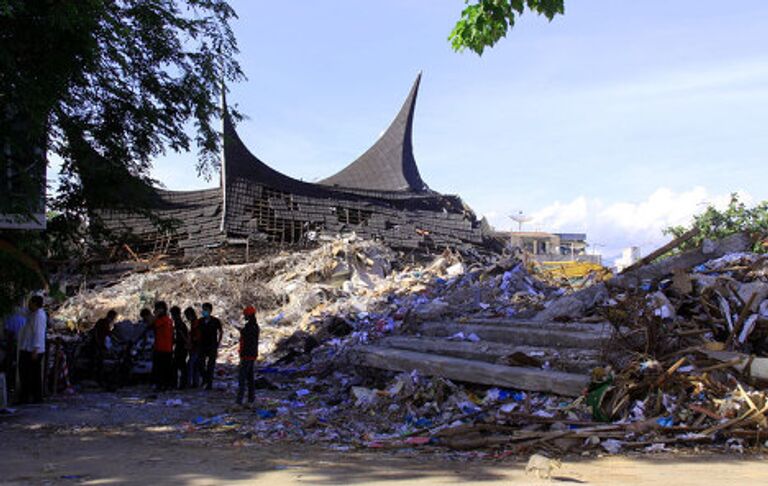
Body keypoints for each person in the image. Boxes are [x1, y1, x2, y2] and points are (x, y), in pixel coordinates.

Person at [17, 295, 47, 403]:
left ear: (35, 304)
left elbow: (38, 333)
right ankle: (28, 397)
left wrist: (35, 349)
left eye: (30, 302)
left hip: (33, 350)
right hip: (27, 347)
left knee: (31, 374)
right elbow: (22, 312)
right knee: (27, 374)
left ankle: (32, 397)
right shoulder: (31, 313)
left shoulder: (39, 316)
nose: (28, 304)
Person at [236, 306, 260, 405]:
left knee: (242, 379)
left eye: (245, 314)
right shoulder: (255, 326)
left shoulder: (249, 327)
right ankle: (251, 398)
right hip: (252, 355)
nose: (244, 316)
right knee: (250, 378)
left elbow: (246, 339)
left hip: (246, 355)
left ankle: (239, 400)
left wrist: (240, 330)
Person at [149, 301, 174, 391]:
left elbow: (151, 324)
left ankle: (161, 385)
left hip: (161, 348)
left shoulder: (162, 320)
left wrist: (155, 315)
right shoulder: (169, 320)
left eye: (157, 309)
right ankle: (165, 384)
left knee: (160, 368)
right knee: (165, 368)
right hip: (166, 347)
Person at [199, 302, 223, 391]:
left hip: (212, 345)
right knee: (200, 364)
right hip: (202, 345)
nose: (204, 311)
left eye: (206, 310)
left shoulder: (215, 321)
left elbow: (220, 331)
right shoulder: (200, 321)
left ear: (210, 310)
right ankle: (205, 378)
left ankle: (209, 384)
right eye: (203, 309)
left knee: (211, 366)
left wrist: (218, 342)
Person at [3, 305, 26, 393]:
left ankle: (9, 385)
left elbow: (6, 331)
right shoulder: (24, 320)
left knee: (9, 364)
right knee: (18, 364)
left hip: (11, 344)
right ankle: (15, 384)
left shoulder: (8, 318)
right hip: (20, 345)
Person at [92, 310, 117, 387]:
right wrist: (98, 342)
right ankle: (100, 380)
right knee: (100, 363)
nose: (114, 319)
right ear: (111, 316)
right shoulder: (103, 322)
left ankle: (100, 379)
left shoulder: (105, 322)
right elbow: (97, 332)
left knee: (101, 362)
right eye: (114, 317)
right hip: (100, 344)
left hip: (101, 344)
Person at [169, 306, 189, 389]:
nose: (172, 316)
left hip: (181, 347)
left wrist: (186, 343)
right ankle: (181, 384)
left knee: (177, 366)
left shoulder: (178, 323)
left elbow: (182, 335)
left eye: (172, 314)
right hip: (181, 346)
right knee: (180, 366)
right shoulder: (180, 323)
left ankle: (179, 384)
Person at [184, 307, 201, 388]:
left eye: (187, 316)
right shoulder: (194, 322)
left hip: (196, 347)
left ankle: (189, 383)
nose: (187, 318)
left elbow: (197, 336)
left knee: (190, 365)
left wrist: (191, 342)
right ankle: (195, 383)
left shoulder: (195, 323)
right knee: (195, 366)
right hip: (196, 347)